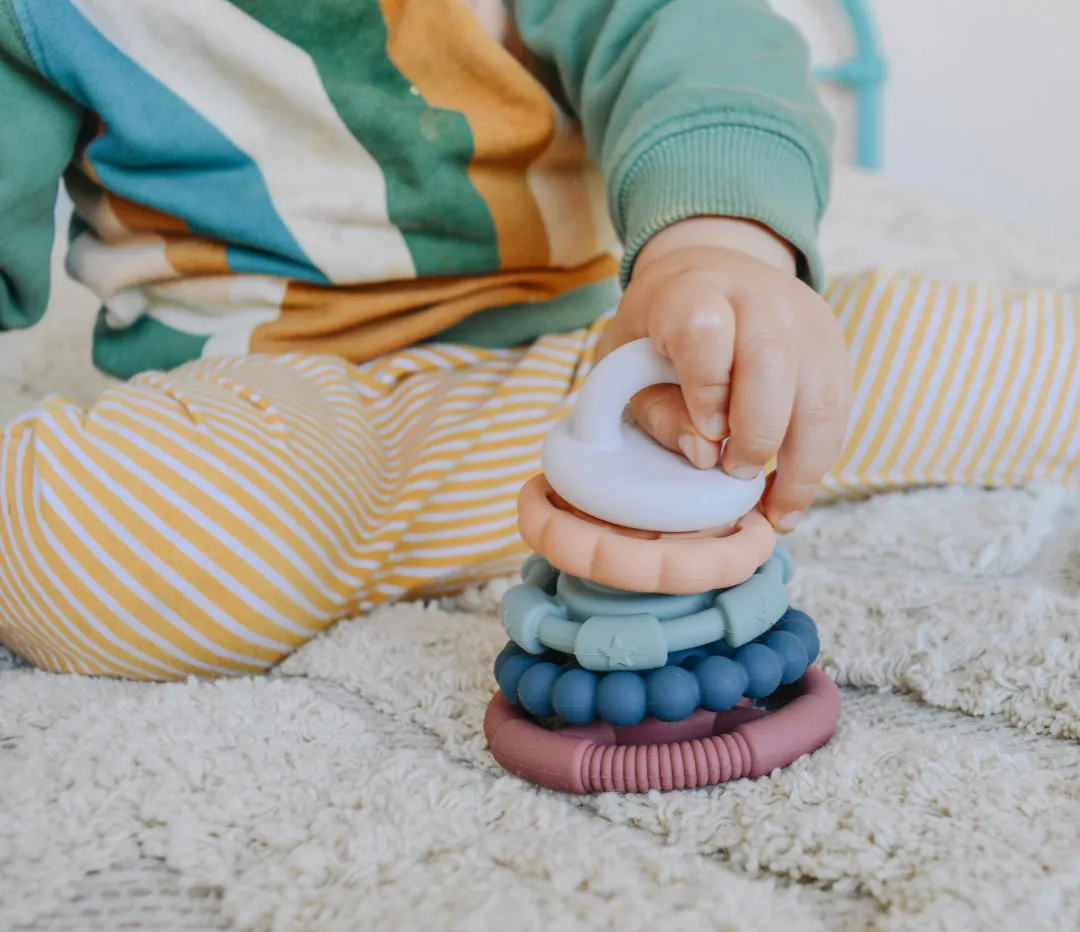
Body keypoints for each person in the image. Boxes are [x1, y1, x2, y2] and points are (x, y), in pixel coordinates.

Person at [1, 0, 1076, 680]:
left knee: (865, 362)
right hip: (285, 416)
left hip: (627, 360)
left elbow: (694, 36)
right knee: (82, 543)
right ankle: (537, 474)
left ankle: (623, 430)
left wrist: (718, 250)